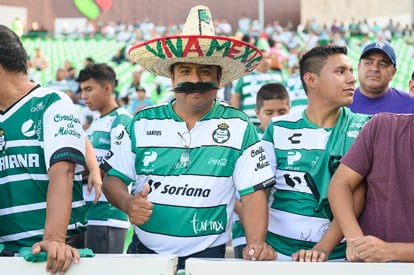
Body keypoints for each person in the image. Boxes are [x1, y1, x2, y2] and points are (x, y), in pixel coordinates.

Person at [101, 5, 276, 270]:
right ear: (171, 75)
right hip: (144, 253)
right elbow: (113, 179)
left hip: (209, 257)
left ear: (219, 77)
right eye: (185, 71)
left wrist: (256, 242)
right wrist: (127, 203)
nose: (195, 80)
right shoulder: (142, 121)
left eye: (205, 71)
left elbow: (252, 195)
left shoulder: (240, 125)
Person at [262, 45, 371, 261]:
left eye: (351, 71)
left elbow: (358, 193)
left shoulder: (364, 128)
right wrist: (256, 240)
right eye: (340, 72)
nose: (352, 79)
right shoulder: (277, 128)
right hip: (277, 254)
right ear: (311, 80)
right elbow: (260, 192)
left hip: (339, 257)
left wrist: (322, 249)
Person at [0, 24, 89, 274]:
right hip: (7, 253)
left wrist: (53, 238)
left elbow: (63, 172)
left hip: (53, 254)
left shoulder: (52, 102)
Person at [328, 112, 414, 262]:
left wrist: (391, 251)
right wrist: (355, 240)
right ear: (412, 88)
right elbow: (340, 184)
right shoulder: (382, 125)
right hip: (370, 266)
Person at [77, 63, 132, 253]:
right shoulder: (96, 123)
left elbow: (113, 164)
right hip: (88, 214)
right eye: (82, 90)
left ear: (107, 88)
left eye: (89, 89)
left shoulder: (121, 118)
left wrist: (73, 173)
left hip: (107, 215)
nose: (84, 96)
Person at [232, 82, 290, 258]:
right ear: (257, 113)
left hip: (280, 233)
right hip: (244, 230)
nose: (275, 119)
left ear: (290, 109)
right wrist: (245, 215)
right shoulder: (246, 140)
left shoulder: (293, 142)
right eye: (269, 113)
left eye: (282, 112)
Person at [348, 41, 414, 114]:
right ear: (359, 67)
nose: (374, 68)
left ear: (393, 72)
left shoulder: (410, 104)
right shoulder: (340, 103)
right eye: (368, 63)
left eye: (382, 64)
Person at [230, 51, 284, 124]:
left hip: (274, 121)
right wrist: (238, 117)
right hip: (250, 121)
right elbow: (235, 97)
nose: (265, 61)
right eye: (261, 58)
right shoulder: (244, 77)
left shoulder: (278, 77)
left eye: (267, 58)